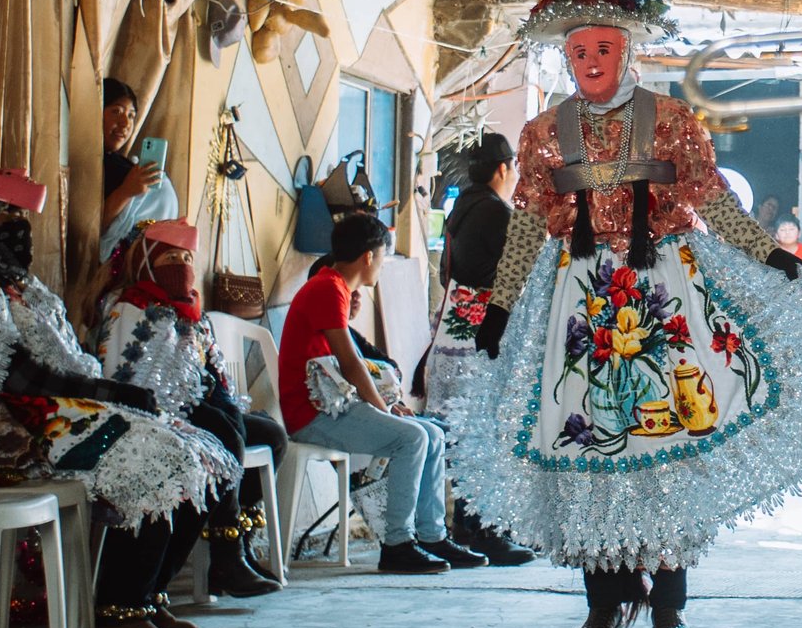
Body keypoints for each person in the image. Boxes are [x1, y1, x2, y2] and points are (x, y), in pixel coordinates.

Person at [450, 0, 802, 628]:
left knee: (673, 443)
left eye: (603, 50)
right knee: (591, 453)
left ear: (627, 50)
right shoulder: (541, 134)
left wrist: (768, 252)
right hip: (578, 310)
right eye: (578, 53)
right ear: (565, 55)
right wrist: (500, 306)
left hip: (664, 301)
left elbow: (714, 201)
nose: (591, 64)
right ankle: (605, 601)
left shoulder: (673, 121)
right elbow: (530, 228)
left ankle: (670, 604)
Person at [0, 160, 237, 628]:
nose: (15, 227)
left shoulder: (24, 289)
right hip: (9, 431)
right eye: (1, 215)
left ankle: (145, 594)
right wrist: (105, 394)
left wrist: (102, 392)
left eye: (19, 216)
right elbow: (9, 375)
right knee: (157, 453)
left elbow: (64, 361)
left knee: (200, 447)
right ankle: (116, 609)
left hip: (52, 411)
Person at [92, 218, 286, 602]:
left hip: (195, 403)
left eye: (186, 257)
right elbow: (128, 376)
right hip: (156, 410)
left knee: (269, 434)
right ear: (147, 261)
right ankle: (226, 556)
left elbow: (206, 372)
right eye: (170, 257)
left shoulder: (188, 310)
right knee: (225, 433)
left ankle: (237, 545)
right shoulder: (133, 308)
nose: (181, 265)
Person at [280, 210, 481, 576]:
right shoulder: (328, 288)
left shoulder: (336, 288)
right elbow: (353, 366)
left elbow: (349, 362)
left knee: (432, 434)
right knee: (413, 438)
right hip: (312, 414)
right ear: (370, 255)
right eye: (384, 257)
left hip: (331, 405)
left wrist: (389, 405)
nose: (383, 265)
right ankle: (397, 544)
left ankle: (432, 535)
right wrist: (386, 411)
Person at [430, 133, 532, 565]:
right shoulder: (495, 211)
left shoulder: (462, 208)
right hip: (481, 336)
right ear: (503, 169)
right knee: (488, 434)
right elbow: (521, 274)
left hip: (453, 334)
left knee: (467, 435)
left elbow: (444, 274)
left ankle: (468, 528)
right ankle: (484, 532)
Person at [99, 76, 178, 261]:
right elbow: (89, 230)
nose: (126, 124)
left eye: (131, 115)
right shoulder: (88, 164)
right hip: (125, 259)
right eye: (116, 111)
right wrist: (126, 192)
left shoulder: (116, 160)